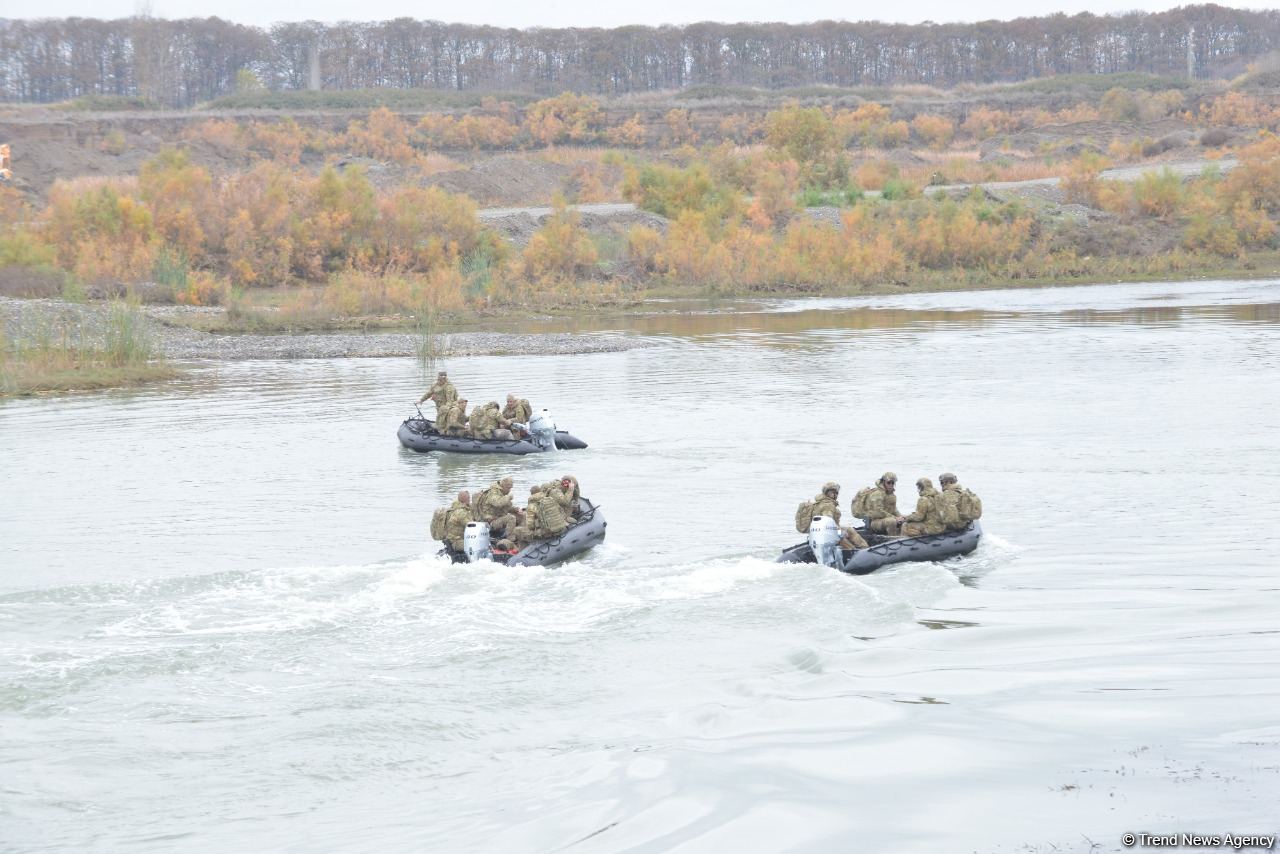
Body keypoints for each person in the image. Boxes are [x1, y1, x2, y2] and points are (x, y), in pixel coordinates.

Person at [810, 482, 869, 550]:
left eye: (836, 492)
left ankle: (863, 548)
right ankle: (861, 549)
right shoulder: (828, 506)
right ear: (827, 493)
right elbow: (829, 524)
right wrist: (840, 533)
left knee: (849, 529)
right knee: (844, 536)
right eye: (833, 492)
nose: (836, 494)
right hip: (830, 533)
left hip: (821, 533)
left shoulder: (819, 502)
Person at [857, 472, 903, 536]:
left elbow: (894, 509)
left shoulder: (891, 494)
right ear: (883, 482)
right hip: (875, 522)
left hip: (886, 519)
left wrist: (900, 517)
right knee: (891, 521)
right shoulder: (877, 494)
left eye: (893, 483)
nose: (891, 485)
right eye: (889, 482)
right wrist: (895, 518)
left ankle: (901, 535)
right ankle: (892, 538)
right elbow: (878, 512)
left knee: (904, 519)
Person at [476, 477, 518, 541]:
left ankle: (521, 535)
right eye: (508, 488)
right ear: (503, 485)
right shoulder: (493, 492)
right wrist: (508, 497)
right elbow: (498, 503)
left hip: (499, 517)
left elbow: (505, 507)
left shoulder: (502, 492)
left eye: (510, 488)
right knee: (511, 518)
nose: (509, 490)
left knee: (521, 515)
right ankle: (510, 540)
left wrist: (515, 510)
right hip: (491, 521)